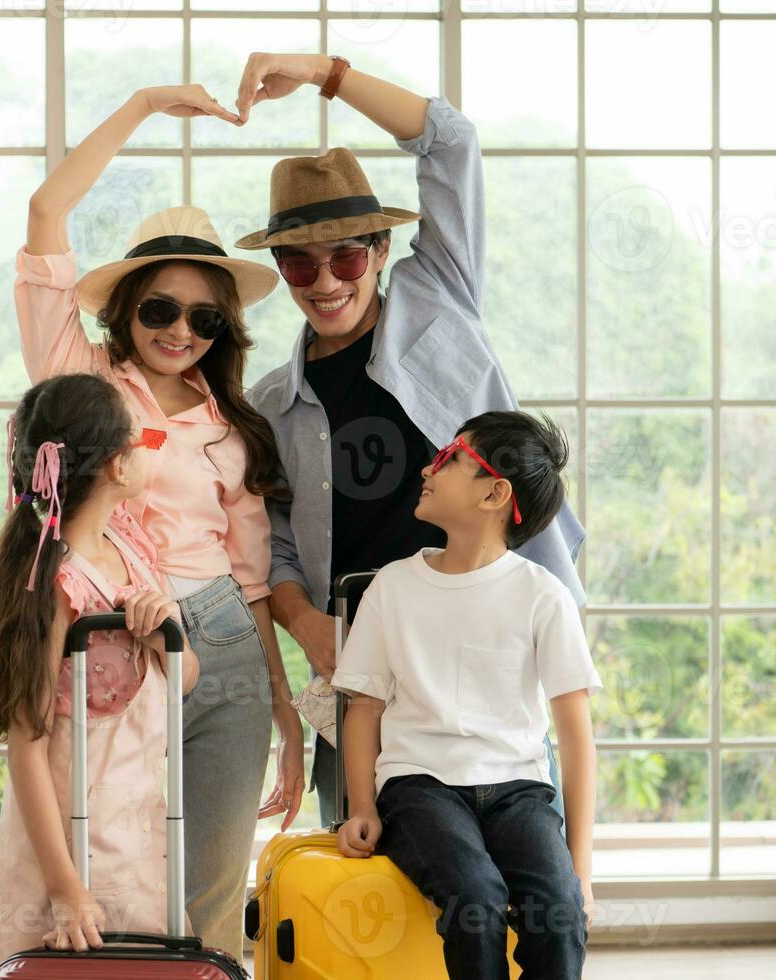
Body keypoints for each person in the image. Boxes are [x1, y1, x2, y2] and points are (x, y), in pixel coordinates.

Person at [233, 52, 587, 826]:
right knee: (363, 878)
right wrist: (305, 624)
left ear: (383, 251)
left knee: (514, 872)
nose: (324, 282)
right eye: (298, 263)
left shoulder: (441, 303)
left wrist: (325, 72)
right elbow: (275, 544)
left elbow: (451, 141)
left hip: (493, 647)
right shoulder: (270, 406)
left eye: (346, 256)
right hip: (366, 671)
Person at [15, 83, 306, 957]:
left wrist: (285, 706)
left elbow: (252, 579)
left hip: (221, 643)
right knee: (115, 882)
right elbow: (45, 210)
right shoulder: (80, 374)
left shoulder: (235, 421)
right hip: (113, 640)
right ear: (124, 307)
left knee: (212, 892)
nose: (181, 330)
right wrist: (140, 106)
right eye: (160, 309)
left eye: (205, 317)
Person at [332, 410, 601, 980]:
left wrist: (581, 873)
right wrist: (361, 806)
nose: (430, 466)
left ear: (495, 494)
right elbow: (365, 709)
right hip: (418, 787)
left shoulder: (542, 596)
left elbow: (576, 740)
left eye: (452, 458)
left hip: (519, 790)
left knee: (558, 916)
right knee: (473, 903)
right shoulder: (394, 586)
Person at [0, 373, 203, 971]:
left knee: (144, 961)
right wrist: (65, 888)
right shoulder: (56, 583)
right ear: (115, 467)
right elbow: (26, 744)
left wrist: (162, 635)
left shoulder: (129, 548)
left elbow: (181, 682)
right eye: (143, 439)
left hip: (139, 826)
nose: (150, 449)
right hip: (71, 834)